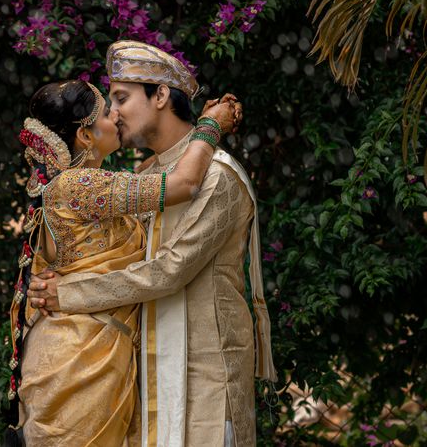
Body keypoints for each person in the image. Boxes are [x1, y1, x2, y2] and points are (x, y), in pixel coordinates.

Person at [27, 41, 277, 447]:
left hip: (203, 386)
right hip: (137, 385)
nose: (115, 112)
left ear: (160, 95)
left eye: (122, 98)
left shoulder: (217, 177)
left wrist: (68, 293)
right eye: (109, 103)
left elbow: (169, 271)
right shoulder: (144, 175)